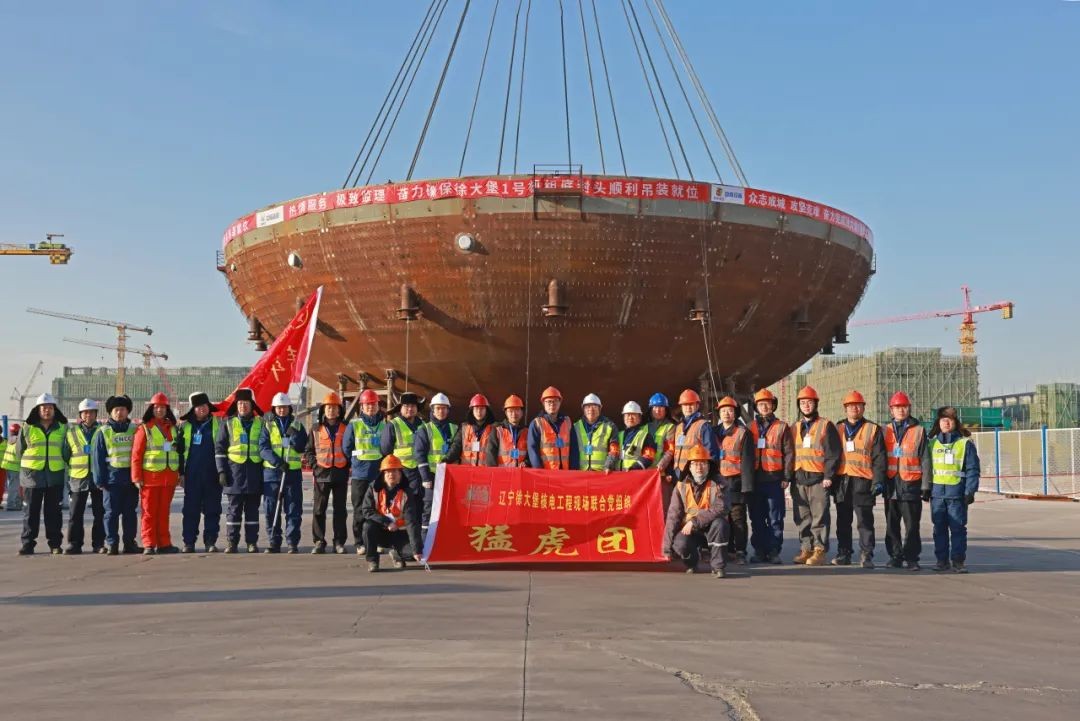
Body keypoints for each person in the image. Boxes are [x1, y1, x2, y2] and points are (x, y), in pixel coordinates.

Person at [8, 394, 70, 555]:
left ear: (54, 410)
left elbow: (67, 449)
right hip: (32, 477)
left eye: (50, 408)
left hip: (55, 476)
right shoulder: (27, 427)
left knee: (54, 513)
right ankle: (28, 544)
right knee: (30, 512)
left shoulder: (63, 427)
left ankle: (55, 544)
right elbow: (19, 450)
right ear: (37, 409)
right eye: (43, 408)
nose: (47, 411)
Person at [831, 391, 887, 569]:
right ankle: (844, 553)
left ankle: (866, 555)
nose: (854, 408)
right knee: (843, 521)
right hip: (842, 482)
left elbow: (879, 458)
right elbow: (831, 455)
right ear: (845, 409)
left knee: (864, 521)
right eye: (850, 406)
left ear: (863, 407)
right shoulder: (838, 428)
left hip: (863, 482)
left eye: (858, 405)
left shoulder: (873, 429)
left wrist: (878, 481)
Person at [791, 386, 841, 567]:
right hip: (799, 478)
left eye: (809, 402)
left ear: (816, 404)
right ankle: (806, 548)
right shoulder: (795, 427)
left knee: (819, 517)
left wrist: (828, 475)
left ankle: (819, 550)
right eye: (803, 403)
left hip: (819, 479)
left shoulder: (826, 425)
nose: (806, 405)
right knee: (802, 517)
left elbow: (833, 453)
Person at [882, 392, 932, 571]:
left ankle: (912, 558)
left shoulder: (918, 431)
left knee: (912, 526)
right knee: (891, 526)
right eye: (897, 407)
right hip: (891, 485)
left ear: (909, 408)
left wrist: (926, 485)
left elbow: (925, 459)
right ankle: (895, 556)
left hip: (911, 485)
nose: (901, 410)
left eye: (904, 407)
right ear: (891, 410)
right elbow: (880, 458)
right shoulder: (885, 430)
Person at [662, 444, 728, 578]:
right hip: (691, 531)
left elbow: (721, 508)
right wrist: (667, 548)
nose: (699, 467)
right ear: (689, 467)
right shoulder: (681, 486)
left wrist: (694, 521)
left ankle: (718, 567)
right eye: (695, 464)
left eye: (703, 463)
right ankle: (692, 563)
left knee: (720, 525)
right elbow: (673, 515)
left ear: (709, 466)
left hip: (712, 528)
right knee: (680, 543)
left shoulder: (719, 483)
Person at [928, 406, 980, 573]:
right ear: (938, 423)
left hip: (957, 495)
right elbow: (926, 468)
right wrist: (925, 489)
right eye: (943, 420)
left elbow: (973, 469)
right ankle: (941, 561)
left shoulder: (965, 444)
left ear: (956, 422)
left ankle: (958, 561)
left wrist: (970, 491)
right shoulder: (931, 444)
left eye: (950, 420)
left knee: (958, 529)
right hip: (937, 495)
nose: (947, 423)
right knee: (939, 529)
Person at [132, 393, 181, 555]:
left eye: (163, 407)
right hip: (150, 479)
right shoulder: (144, 429)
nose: (160, 410)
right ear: (151, 409)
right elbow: (136, 454)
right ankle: (149, 543)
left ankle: (164, 543)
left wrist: (179, 474)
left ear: (167, 410)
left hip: (169, 478)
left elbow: (177, 452)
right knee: (149, 513)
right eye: (157, 407)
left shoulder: (172, 428)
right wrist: (136, 477)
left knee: (164, 512)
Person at [258, 392, 308, 553]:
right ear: (274, 408)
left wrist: (295, 438)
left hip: (292, 474)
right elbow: (263, 448)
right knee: (271, 509)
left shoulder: (297, 425)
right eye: (279, 407)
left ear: (289, 408)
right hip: (272, 474)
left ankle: (292, 542)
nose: (281, 410)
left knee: (293, 509)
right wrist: (278, 462)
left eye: (284, 407)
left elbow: (303, 447)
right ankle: (274, 542)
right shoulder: (267, 426)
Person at [216, 387, 264, 553]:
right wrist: (221, 471)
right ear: (236, 406)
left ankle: (252, 542)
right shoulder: (227, 423)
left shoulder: (261, 423)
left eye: (246, 403)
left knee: (252, 512)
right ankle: (232, 542)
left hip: (255, 474)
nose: (243, 406)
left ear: (252, 405)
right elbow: (219, 450)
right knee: (234, 511)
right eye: (240, 403)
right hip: (234, 474)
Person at [747, 389, 792, 564]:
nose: (764, 407)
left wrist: (786, 477)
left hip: (774, 479)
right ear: (756, 407)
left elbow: (789, 453)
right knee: (757, 518)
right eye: (761, 404)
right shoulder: (750, 427)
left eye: (767, 403)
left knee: (775, 518)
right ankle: (759, 550)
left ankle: (774, 550)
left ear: (773, 405)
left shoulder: (782, 427)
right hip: (755, 480)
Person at [92, 395, 141, 555]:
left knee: (130, 514)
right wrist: (99, 480)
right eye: (116, 410)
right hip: (111, 481)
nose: (119, 413)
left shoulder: (135, 429)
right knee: (111, 513)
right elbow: (97, 458)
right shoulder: (103, 432)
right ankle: (112, 543)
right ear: (110, 412)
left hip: (131, 480)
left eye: (123, 409)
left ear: (128, 411)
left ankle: (129, 543)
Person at [360, 455, 424, 573]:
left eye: (395, 471)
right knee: (367, 526)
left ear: (400, 473)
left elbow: (411, 522)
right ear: (383, 474)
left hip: (400, 533)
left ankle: (397, 554)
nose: (391, 474)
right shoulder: (374, 489)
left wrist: (417, 550)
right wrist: (387, 522)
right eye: (388, 471)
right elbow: (366, 510)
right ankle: (373, 560)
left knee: (414, 554)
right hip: (380, 531)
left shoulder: (407, 492)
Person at [303, 392, 349, 553]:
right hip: (321, 474)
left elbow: (350, 448)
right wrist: (315, 466)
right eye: (328, 408)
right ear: (323, 410)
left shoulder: (346, 427)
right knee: (319, 510)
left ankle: (339, 542)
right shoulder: (315, 429)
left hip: (340, 473)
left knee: (340, 511)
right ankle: (319, 541)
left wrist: (347, 465)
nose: (331, 411)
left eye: (335, 408)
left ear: (339, 410)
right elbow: (308, 450)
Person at [178, 392, 223, 553]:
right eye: (198, 407)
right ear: (193, 409)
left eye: (204, 405)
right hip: (192, 475)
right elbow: (179, 452)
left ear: (208, 406)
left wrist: (222, 472)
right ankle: (189, 542)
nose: (202, 409)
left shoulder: (218, 424)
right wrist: (181, 473)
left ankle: (210, 541)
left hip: (213, 475)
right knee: (191, 510)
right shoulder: (185, 427)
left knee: (213, 510)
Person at [342, 389, 384, 555]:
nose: (371, 407)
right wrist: (357, 461)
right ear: (362, 407)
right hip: (360, 474)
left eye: (373, 404)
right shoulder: (355, 425)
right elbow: (347, 447)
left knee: (379, 508)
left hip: (378, 473)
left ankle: (378, 541)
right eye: (367, 405)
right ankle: (360, 542)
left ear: (378, 406)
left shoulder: (384, 425)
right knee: (359, 509)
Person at [715, 396, 754, 565]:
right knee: (723, 518)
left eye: (730, 411)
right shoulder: (714, 432)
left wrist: (746, 486)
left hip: (736, 482)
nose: (726, 414)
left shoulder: (743, 433)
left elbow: (747, 461)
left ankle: (740, 551)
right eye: (723, 411)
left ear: (735, 413)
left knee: (737, 519)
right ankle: (728, 549)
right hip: (719, 483)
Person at [65, 399, 105, 554]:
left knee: (100, 513)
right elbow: (65, 453)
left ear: (96, 414)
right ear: (81, 415)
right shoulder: (71, 432)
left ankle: (98, 544)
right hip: (78, 478)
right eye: (85, 412)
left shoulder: (103, 430)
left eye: (91, 412)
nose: (88, 415)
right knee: (75, 513)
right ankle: (74, 544)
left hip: (98, 477)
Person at [414, 392, 457, 530]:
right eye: (438, 408)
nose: (441, 411)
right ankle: (426, 539)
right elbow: (420, 455)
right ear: (432, 410)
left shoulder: (454, 428)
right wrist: (425, 478)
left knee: (449, 507)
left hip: (450, 476)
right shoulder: (425, 429)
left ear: (448, 410)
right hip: (432, 476)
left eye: (444, 408)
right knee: (429, 508)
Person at [380, 391, 425, 502]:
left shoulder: (424, 425)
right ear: (400, 408)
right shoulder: (392, 425)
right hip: (401, 471)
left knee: (419, 502)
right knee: (402, 501)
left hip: (420, 470)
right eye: (406, 406)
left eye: (413, 406)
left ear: (417, 408)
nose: (410, 409)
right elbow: (386, 450)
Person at [527, 386, 578, 470]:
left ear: (560, 403)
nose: (552, 404)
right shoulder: (536, 424)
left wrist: (573, 471)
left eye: (555, 401)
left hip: (565, 472)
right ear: (543, 403)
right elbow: (532, 450)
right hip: (546, 473)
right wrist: (539, 472)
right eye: (549, 401)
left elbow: (574, 449)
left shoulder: (567, 422)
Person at [672, 389, 719, 479]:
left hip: (696, 474)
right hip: (679, 473)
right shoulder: (679, 427)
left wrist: (709, 475)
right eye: (685, 405)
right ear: (681, 407)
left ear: (697, 405)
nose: (688, 408)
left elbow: (711, 452)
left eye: (691, 404)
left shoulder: (703, 426)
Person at [574, 394, 619, 472]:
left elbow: (614, 449)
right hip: (581, 473)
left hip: (602, 473)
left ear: (600, 408)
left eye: (594, 406)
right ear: (583, 408)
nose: (591, 409)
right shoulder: (575, 427)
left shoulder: (610, 426)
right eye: (588, 406)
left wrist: (609, 465)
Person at [485, 395, 529, 467]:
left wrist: (527, 462)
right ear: (506, 413)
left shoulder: (527, 431)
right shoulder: (497, 430)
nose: (514, 414)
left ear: (522, 412)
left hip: (521, 473)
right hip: (502, 473)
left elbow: (531, 453)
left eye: (517, 410)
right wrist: (493, 472)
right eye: (510, 411)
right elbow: (491, 454)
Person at [618, 401, 657, 471]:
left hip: (635, 475)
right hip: (618, 475)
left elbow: (649, 456)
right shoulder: (619, 435)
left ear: (639, 418)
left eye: (633, 414)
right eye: (628, 414)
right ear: (624, 417)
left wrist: (634, 468)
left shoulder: (646, 436)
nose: (630, 417)